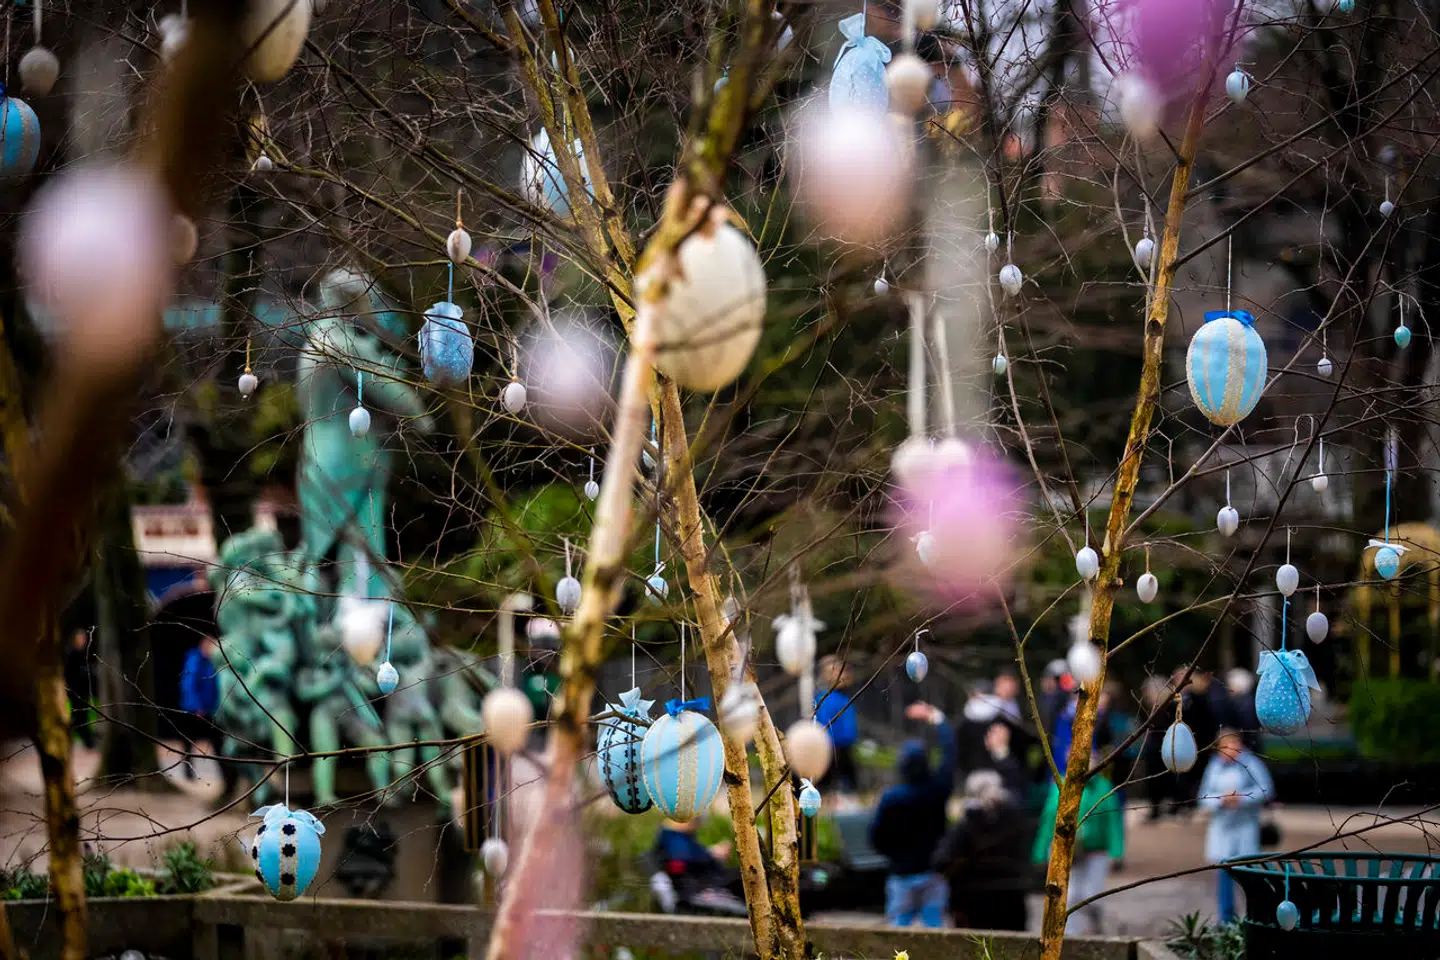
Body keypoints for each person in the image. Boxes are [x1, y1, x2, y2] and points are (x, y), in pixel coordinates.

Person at [870, 701, 956, 928]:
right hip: (932, 871)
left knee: (898, 936)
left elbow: (876, 837)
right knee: (934, 935)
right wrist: (937, 717)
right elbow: (949, 754)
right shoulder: (938, 790)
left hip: (901, 874)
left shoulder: (892, 799)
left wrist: (895, 856)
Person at [1032, 753, 1125, 934]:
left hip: (1096, 851)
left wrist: (1116, 851)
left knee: (1092, 894)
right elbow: (1048, 820)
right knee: (1069, 894)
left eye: (1091, 760)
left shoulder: (1105, 787)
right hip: (1065, 850)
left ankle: (1093, 927)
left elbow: (1114, 822)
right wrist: (1041, 851)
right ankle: (1069, 935)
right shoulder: (1060, 786)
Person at [935, 770, 1029, 931]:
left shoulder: (964, 827)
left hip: (970, 904)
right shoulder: (1016, 822)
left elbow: (941, 861)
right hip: (1011, 900)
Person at [1198, 728, 1275, 924]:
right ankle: (1226, 920)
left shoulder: (1250, 763)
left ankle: (1256, 915)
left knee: (1250, 875)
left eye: (1234, 746)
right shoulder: (1214, 767)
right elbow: (1203, 797)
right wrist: (1221, 800)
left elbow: (1266, 789)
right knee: (1224, 875)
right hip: (1222, 829)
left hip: (1246, 826)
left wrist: (1242, 799)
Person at [179, 636, 222, 781]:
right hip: (193, 710)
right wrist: (197, 708)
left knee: (217, 743)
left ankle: (224, 776)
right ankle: (188, 772)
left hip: (210, 710)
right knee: (188, 742)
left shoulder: (213, 662)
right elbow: (189, 686)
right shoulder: (194, 660)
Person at [814, 655, 859, 794]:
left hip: (844, 747)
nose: (842, 674)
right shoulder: (824, 698)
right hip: (830, 748)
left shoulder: (843, 697)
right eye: (834, 671)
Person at [63, 629, 96, 748]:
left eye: (84, 638)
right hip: (75, 690)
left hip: (83, 691)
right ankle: (88, 742)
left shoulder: (85, 653)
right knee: (78, 716)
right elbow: (68, 673)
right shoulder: (71, 653)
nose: (83, 640)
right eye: (80, 638)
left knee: (81, 716)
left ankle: (88, 742)